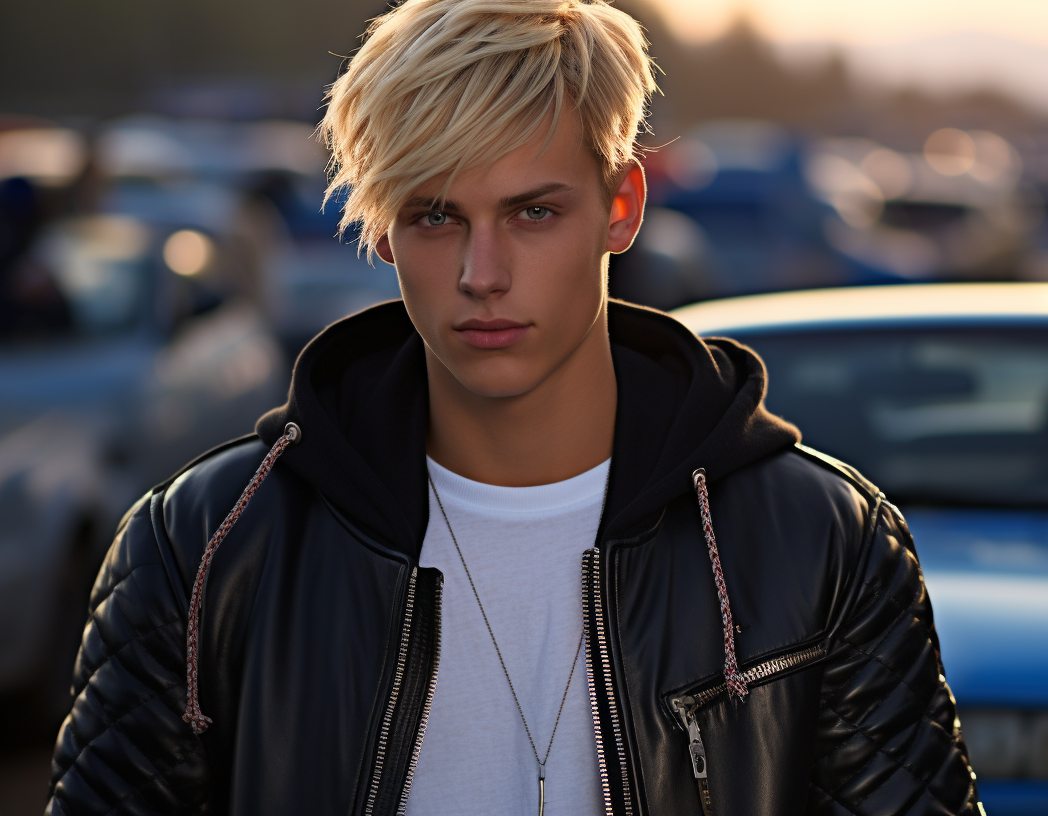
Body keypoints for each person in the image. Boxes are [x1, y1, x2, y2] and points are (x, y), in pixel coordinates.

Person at [46, 1, 980, 813]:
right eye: (435, 216)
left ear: (621, 207)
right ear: (383, 229)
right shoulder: (207, 548)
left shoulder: (820, 544)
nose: (480, 276)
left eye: (533, 213)